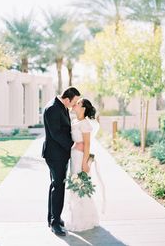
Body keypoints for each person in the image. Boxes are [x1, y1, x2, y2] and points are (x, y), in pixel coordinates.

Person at [42, 87, 81, 236]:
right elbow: (56, 133)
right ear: (67, 99)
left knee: (55, 185)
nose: (75, 104)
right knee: (58, 186)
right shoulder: (53, 108)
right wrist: (73, 145)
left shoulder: (61, 105)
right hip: (55, 154)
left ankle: (53, 217)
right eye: (75, 101)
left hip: (59, 154)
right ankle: (55, 223)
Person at [65, 98, 99, 232]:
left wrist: (85, 163)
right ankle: (74, 217)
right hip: (73, 157)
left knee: (80, 185)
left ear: (84, 108)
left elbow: (87, 144)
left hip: (80, 158)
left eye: (78, 103)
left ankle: (83, 220)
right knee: (74, 185)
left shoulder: (85, 124)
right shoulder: (74, 121)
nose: (75, 104)